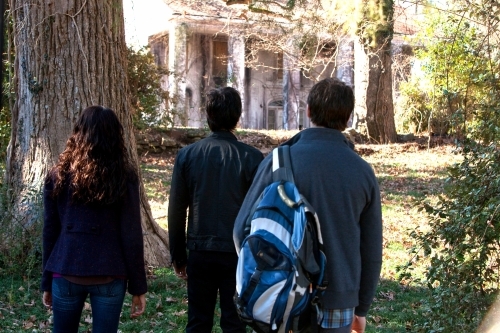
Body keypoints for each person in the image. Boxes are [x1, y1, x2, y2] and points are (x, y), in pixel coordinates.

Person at [234, 78, 382, 333]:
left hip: (284, 297)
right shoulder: (363, 172)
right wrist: (362, 309)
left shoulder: (278, 161)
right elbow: (371, 250)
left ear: (309, 111)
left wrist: (266, 274)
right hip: (340, 299)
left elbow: (241, 230)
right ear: (347, 119)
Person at [41, 106, 147, 333]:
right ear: (114, 136)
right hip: (109, 273)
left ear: (79, 133)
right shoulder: (124, 176)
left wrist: (46, 281)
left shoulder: (57, 175)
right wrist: (138, 287)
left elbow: (50, 231)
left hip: (65, 269)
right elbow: (131, 234)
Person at [168, 87, 264, 333]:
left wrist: (178, 255)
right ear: (237, 117)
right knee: (234, 322)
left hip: (200, 250)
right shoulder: (252, 158)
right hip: (238, 253)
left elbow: (177, 209)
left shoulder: (188, 156)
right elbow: (260, 212)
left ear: (208, 115)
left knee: (198, 321)